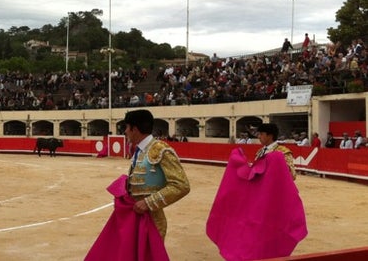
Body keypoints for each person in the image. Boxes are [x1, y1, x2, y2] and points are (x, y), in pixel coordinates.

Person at [86, 110, 190, 260]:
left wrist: (148, 203)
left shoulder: (160, 150)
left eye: (127, 127)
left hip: (152, 219)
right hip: (135, 216)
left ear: (135, 129)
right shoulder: (140, 150)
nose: (125, 132)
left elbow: (181, 185)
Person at [207, 123, 307, 260]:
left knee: (273, 228)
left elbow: (291, 175)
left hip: (275, 199)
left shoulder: (283, 152)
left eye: (261, 134)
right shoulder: (260, 152)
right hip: (261, 198)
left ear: (269, 135)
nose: (259, 137)